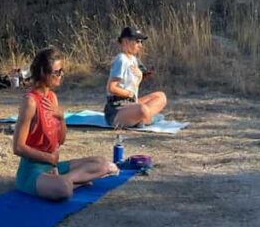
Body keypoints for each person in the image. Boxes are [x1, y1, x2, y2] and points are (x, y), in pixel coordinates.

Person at [13, 46, 118, 200]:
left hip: (53, 167)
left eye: (61, 71)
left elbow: (61, 140)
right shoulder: (30, 102)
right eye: (57, 72)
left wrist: (61, 118)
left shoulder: (52, 98)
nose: (61, 75)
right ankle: (75, 181)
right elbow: (18, 147)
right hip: (32, 171)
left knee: (102, 164)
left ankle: (69, 179)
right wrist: (49, 158)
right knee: (64, 189)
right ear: (43, 73)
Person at [104, 26, 167, 128]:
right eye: (137, 41)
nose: (140, 45)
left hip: (132, 103)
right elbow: (111, 88)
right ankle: (146, 118)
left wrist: (142, 75)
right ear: (125, 42)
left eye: (141, 42)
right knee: (143, 109)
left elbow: (134, 83)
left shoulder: (134, 59)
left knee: (161, 97)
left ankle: (142, 119)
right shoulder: (121, 60)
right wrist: (129, 94)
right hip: (117, 108)